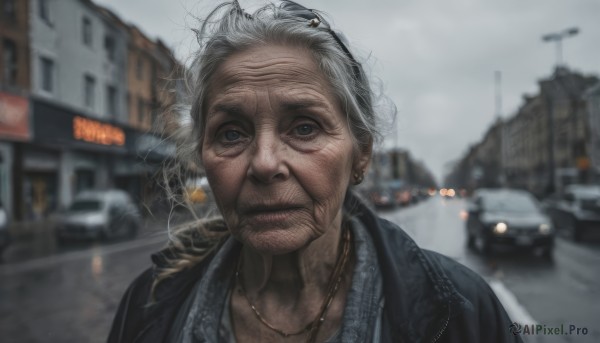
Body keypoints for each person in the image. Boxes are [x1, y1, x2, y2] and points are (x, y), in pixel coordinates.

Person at [108, 1, 522, 342]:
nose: (265, 163)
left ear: (360, 155)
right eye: (231, 133)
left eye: (305, 127)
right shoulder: (150, 306)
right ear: (203, 154)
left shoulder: (459, 311)